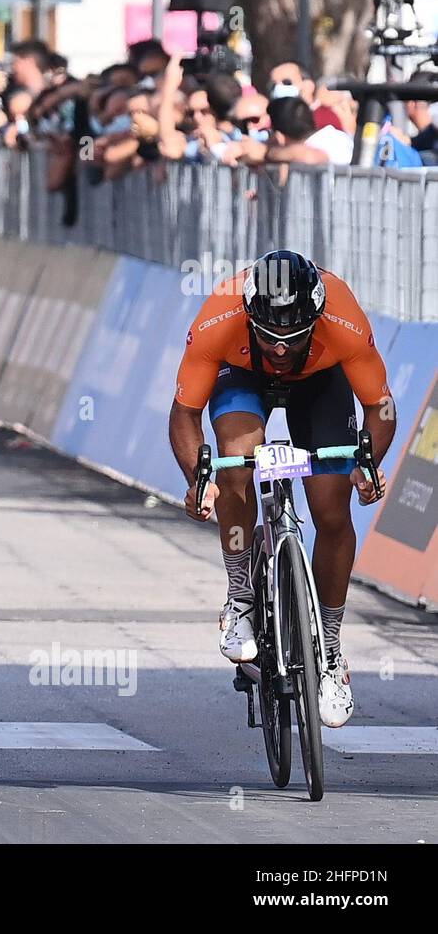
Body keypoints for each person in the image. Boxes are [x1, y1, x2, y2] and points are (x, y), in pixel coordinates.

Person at [168, 251, 395, 728]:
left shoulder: (342, 317)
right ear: (250, 314)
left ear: (315, 316)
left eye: (292, 338)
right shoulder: (220, 316)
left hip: (320, 382)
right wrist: (198, 480)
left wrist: (367, 463)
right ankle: (240, 597)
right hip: (240, 376)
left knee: (331, 509)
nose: (279, 350)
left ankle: (329, 651)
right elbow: (185, 413)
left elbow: (381, 406)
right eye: (269, 337)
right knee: (237, 462)